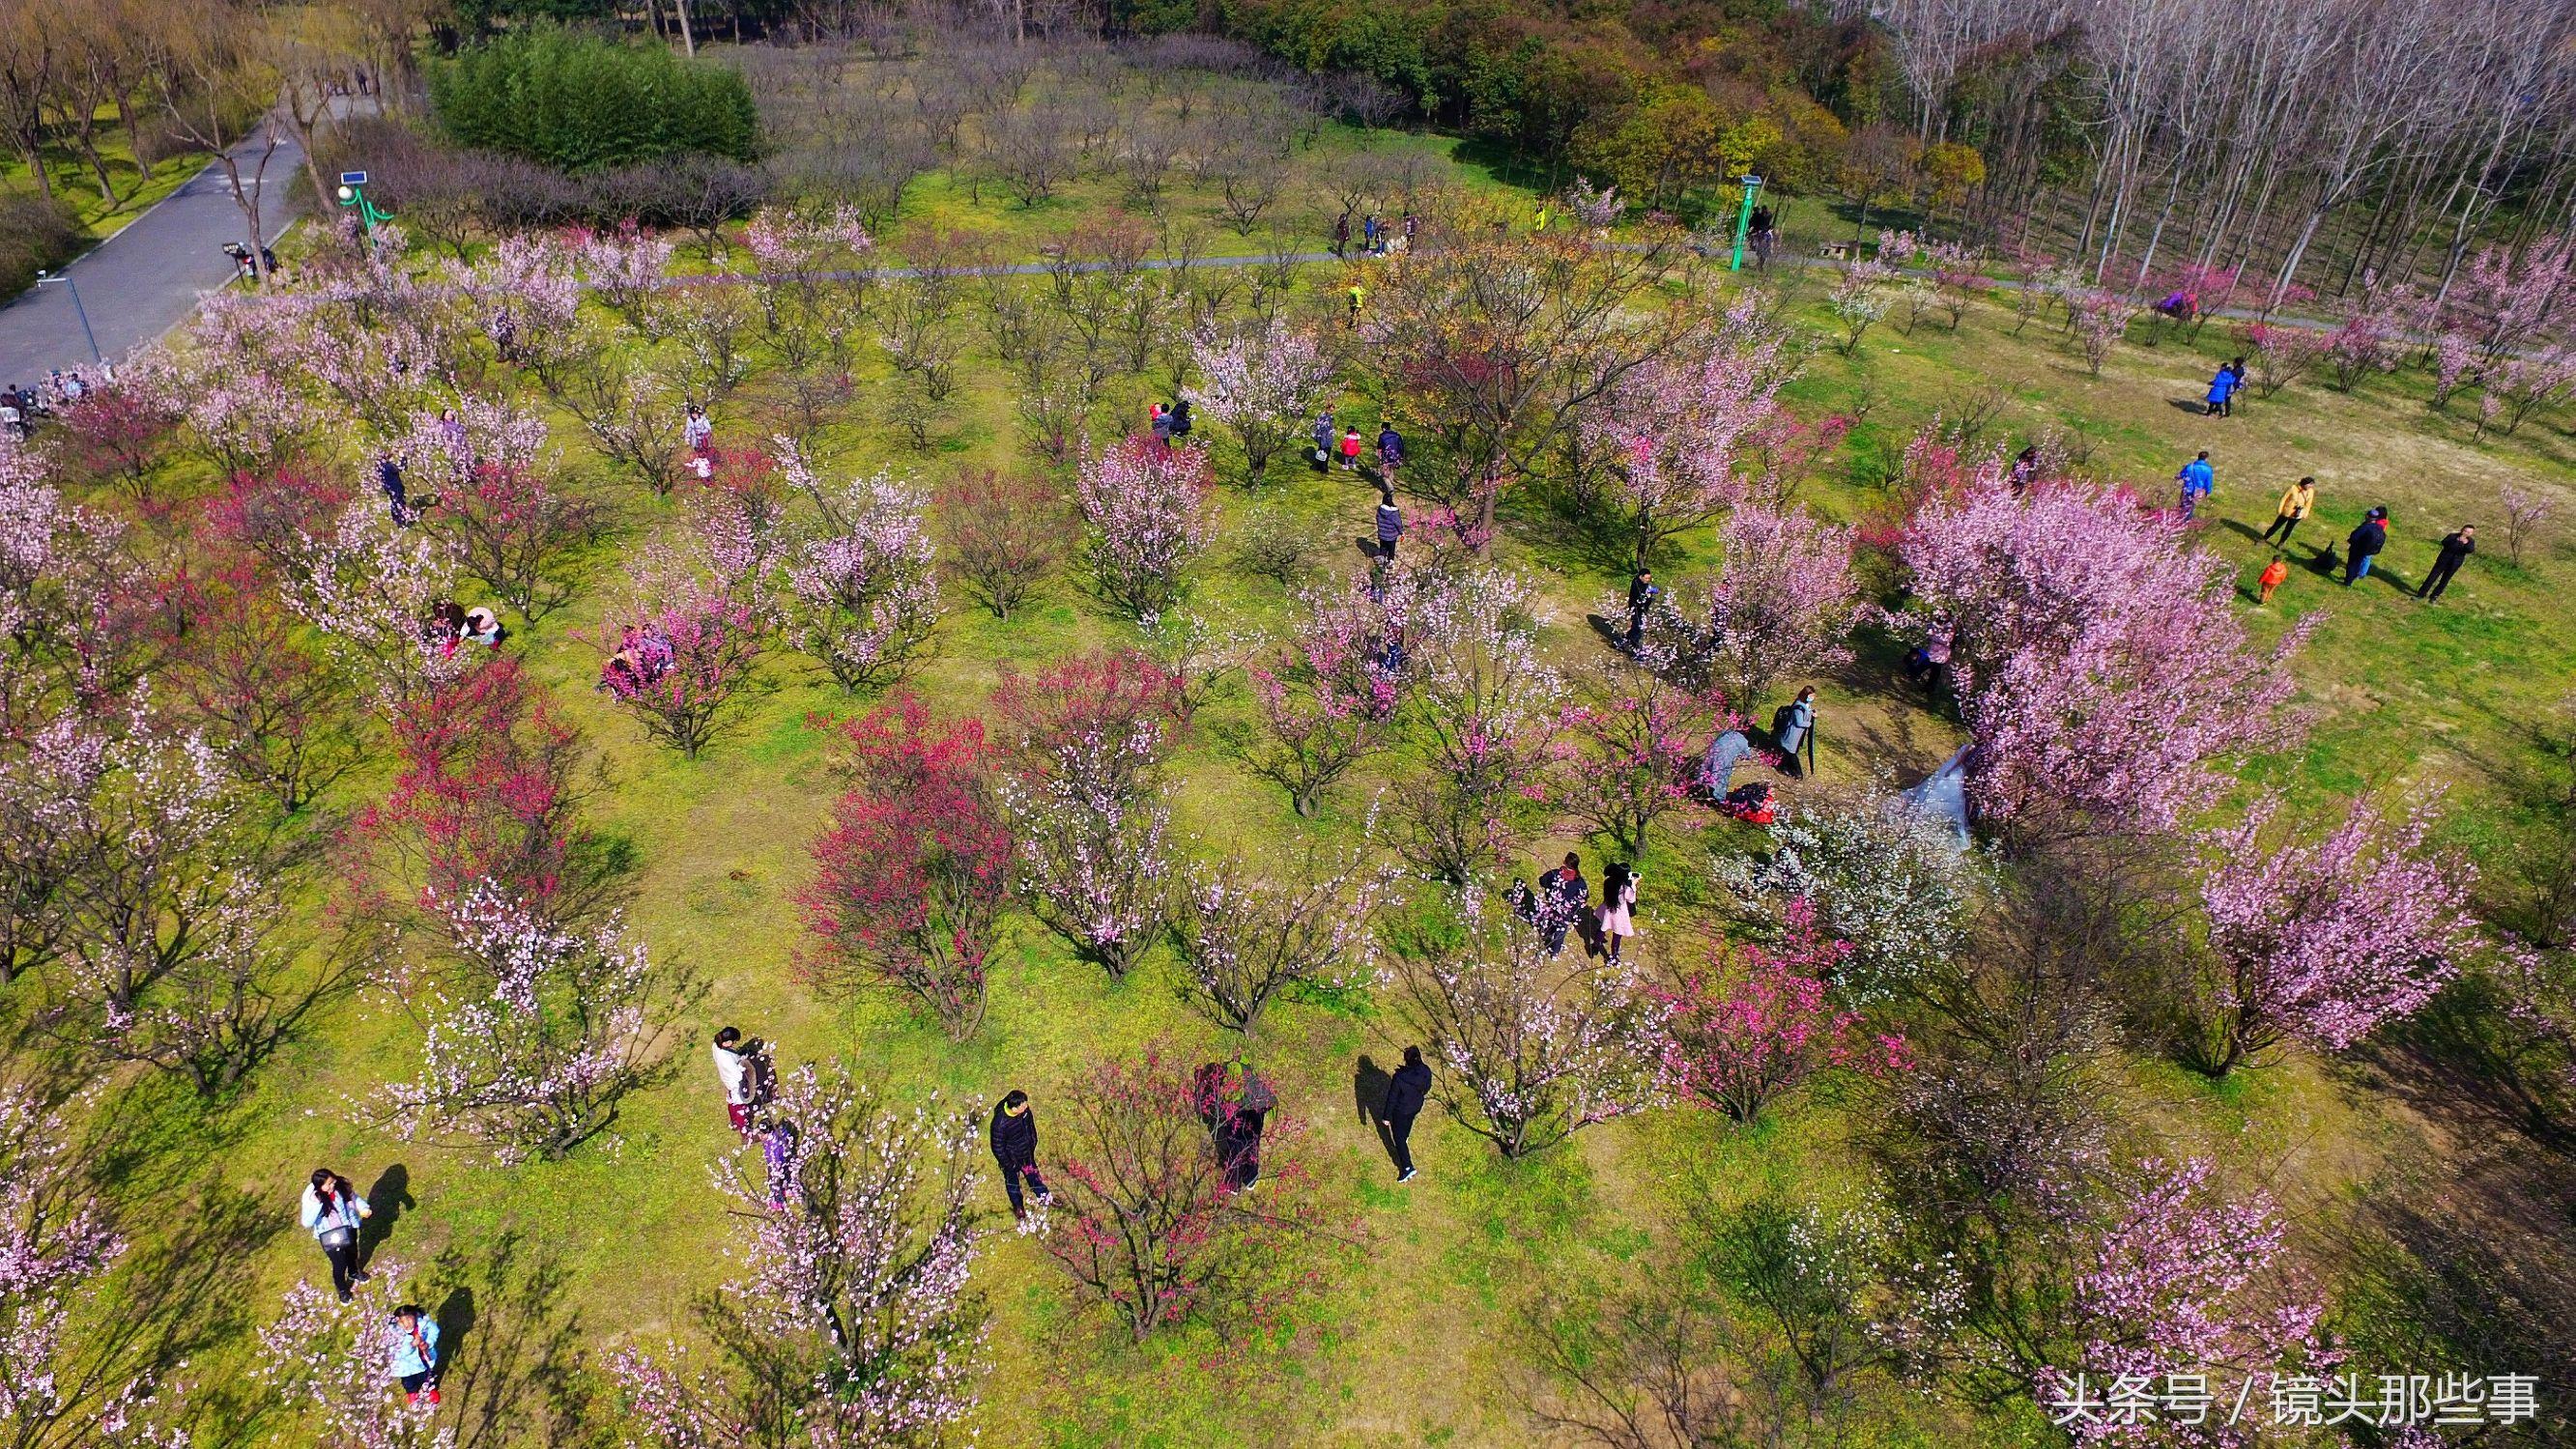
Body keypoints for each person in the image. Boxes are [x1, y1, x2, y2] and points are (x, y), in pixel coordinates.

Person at [301, 1170, 373, 1302]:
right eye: (328, 1184)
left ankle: (353, 1272)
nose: (332, 1185)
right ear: (320, 1187)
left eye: (333, 1181)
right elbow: (307, 1222)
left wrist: (363, 1208)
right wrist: (318, 1204)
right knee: (339, 1264)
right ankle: (343, 1290)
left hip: (348, 1228)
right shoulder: (314, 1200)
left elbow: (354, 1198)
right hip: (330, 1236)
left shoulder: (340, 1188)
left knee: (352, 1253)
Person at [988, 1090, 1051, 1224]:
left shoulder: (1025, 1112)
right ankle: (1018, 1206)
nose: (1026, 1107)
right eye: (1023, 1105)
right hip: (1011, 1159)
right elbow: (998, 1148)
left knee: (1034, 1175)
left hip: (1026, 1153)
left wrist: (1033, 1141)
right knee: (1012, 1183)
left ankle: (1044, 1196)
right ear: (1014, 1108)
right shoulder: (1000, 1124)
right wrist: (1009, 1165)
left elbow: (1031, 1126)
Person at [1381, 1046, 1431, 1182]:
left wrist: (1386, 1117)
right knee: (1409, 1121)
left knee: (1398, 1138)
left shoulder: (1400, 1078)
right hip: (1416, 1105)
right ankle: (1406, 1135)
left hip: (1401, 1109)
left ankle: (1407, 1167)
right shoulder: (1426, 1071)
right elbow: (1427, 1087)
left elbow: (1392, 1098)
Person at [387, 1303, 442, 1407]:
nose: (406, 1323)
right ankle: (412, 1393)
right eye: (401, 1321)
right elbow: (399, 1351)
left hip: (423, 1358)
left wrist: (428, 1343)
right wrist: (412, 1344)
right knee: (408, 1382)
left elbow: (434, 1331)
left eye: (408, 1319)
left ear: (415, 1316)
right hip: (407, 1365)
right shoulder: (395, 1334)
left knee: (428, 1375)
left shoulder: (424, 1324)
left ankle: (431, 1389)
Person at [1536, 852, 1589, 956]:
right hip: (1567, 911)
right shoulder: (1579, 881)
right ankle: (1555, 952)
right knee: (1561, 930)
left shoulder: (1555, 874)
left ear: (1565, 862)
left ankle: (1546, 936)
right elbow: (1584, 897)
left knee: (1549, 922)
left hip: (1552, 905)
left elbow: (1542, 881)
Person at [711, 1027, 757, 1137]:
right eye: (734, 1042)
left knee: (732, 1102)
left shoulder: (716, 1046)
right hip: (735, 1083)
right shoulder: (726, 1058)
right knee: (741, 1106)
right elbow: (738, 1076)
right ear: (727, 1042)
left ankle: (734, 1122)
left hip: (726, 1078)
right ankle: (745, 1134)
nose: (735, 1044)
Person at [2419, 524, 2476, 603]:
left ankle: (2434, 596)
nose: (2466, 533)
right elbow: (2444, 542)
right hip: (2443, 560)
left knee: (2445, 580)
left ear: (2471, 533)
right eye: (2465, 531)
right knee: (2432, 577)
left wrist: (2464, 543)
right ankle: (2421, 594)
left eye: (2469, 532)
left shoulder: (2471, 541)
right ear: (2462, 530)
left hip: (2455, 564)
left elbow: (2470, 550)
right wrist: (2456, 540)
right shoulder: (2453, 536)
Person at [1596, 864, 1639, 964]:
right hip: (1619, 915)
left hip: (1608, 909)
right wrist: (1633, 884)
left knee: (1603, 928)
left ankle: (1595, 945)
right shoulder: (1625, 888)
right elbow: (1631, 899)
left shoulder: (1609, 881)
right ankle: (1614, 956)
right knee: (1617, 935)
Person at [1774, 686, 1818, 778]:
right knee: (1792, 753)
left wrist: (1812, 714)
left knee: (1789, 753)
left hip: (1798, 735)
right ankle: (1797, 773)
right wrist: (1809, 724)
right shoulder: (1798, 708)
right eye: (1811, 696)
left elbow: (1807, 712)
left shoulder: (1805, 704)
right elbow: (1799, 722)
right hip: (1793, 734)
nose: (1812, 698)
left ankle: (1784, 767)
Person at [2262, 476, 2317, 549]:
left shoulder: (2310, 491)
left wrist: (2305, 513)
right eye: (2309, 485)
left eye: (2312, 486)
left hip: (2298, 514)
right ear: (2305, 483)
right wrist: (2280, 509)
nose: (2310, 487)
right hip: (2286, 512)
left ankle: (2281, 543)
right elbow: (2284, 499)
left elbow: (2309, 503)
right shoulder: (2293, 488)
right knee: (2275, 527)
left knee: (2288, 529)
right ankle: (2264, 539)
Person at [759, 1115, 800, 1210]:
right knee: (788, 1175)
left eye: (763, 1134)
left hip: (776, 1164)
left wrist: (773, 1167)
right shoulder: (780, 1133)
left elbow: (775, 1157)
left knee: (774, 1183)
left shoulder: (774, 1144)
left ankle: (778, 1201)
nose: (761, 1136)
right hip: (784, 1161)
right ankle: (790, 1189)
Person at [2345, 507, 2389, 585]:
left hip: (2358, 549)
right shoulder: (2379, 527)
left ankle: (2348, 582)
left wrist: (2350, 541)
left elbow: (2355, 537)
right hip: (2368, 549)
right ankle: (2355, 576)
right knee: (2358, 563)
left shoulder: (2366, 526)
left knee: (2352, 565)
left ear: (2368, 516)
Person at [1624, 569, 1657, 652]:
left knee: (1638, 625)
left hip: (1642, 608)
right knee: (1638, 626)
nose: (1648, 580)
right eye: (1646, 578)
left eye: (1649, 578)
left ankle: (1628, 639)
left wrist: (1650, 594)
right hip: (1636, 607)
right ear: (1640, 577)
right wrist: (1647, 595)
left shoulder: (1643, 583)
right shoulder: (1636, 583)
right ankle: (1633, 645)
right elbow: (1639, 596)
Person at [2176, 451, 2215, 522]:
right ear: (2206, 458)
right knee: (2192, 506)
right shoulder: (2208, 469)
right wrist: (2208, 491)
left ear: (2198, 457)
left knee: (2183, 505)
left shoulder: (2190, 466)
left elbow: (2181, 475)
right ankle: (2186, 521)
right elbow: (2208, 481)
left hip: (2187, 488)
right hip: (2198, 490)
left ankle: (2179, 519)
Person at [379, 455, 411, 526]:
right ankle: (403, 521)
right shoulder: (389, 466)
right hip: (396, 487)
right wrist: (404, 458)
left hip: (389, 489)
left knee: (396, 503)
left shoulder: (380, 469)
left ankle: (399, 521)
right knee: (399, 502)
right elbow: (401, 468)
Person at [1375, 489, 1405, 560]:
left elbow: (1377, 519)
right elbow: (1398, 524)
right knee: (1391, 551)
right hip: (1391, 536)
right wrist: (1402, 532)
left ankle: (1381, 563)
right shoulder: (1394, 513)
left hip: (1382, 534)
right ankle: (1390, 563)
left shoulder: (1380, 509)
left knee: (1383, 548)